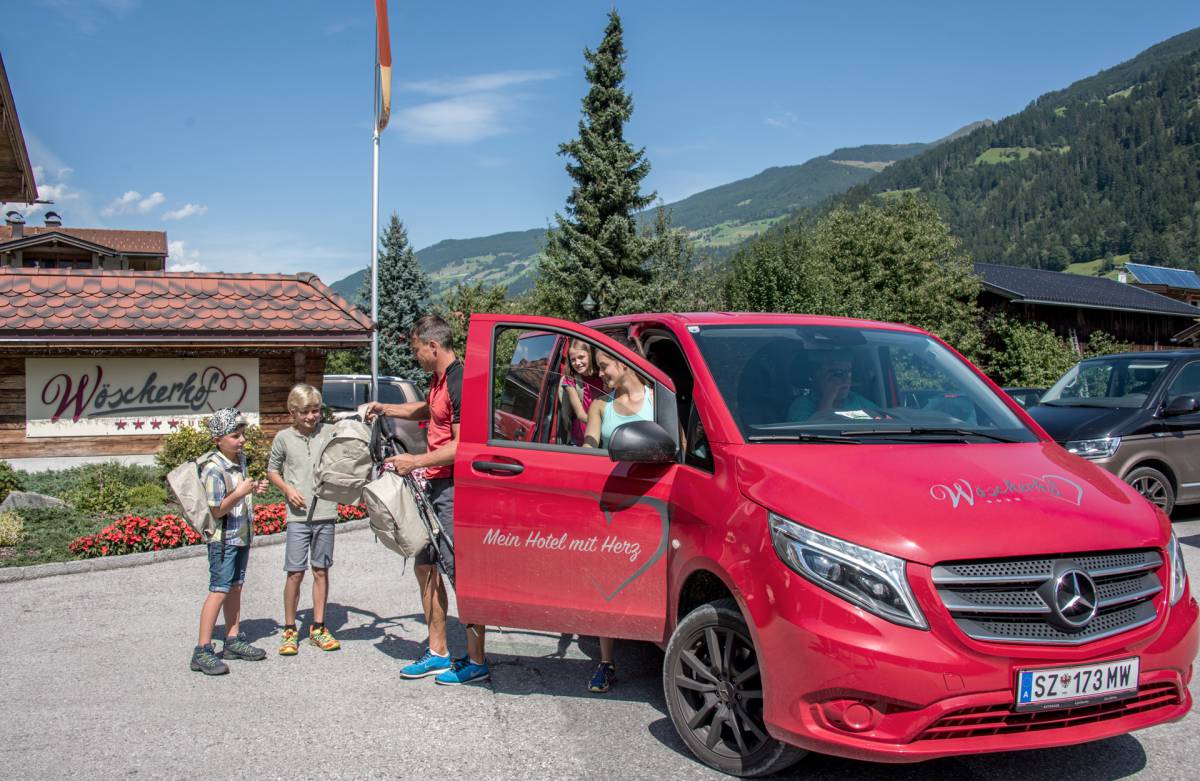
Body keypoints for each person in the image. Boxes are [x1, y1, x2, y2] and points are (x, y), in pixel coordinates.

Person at [365, 314, 489, 686]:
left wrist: (414, 461)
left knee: (460, 574)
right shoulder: (438, 380)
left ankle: (476, 661)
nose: (415, 356)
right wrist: (386, 408)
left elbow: (462, 446)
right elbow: (427, 410)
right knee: (425, 566)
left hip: (453, 489)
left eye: (417, 349)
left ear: (433, 346)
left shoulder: (460, 380)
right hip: (433, 487)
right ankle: (438, 653)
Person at [582, 346, 655, 693]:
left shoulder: (660, 400)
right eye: (597, 367)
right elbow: (589, 449)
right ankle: (607, 661)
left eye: (604, 366)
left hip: (654, 505)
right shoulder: (601, 406)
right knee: (606, 584)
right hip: (612, 506)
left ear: (624, 362)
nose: (600, 374)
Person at [190, 407, 269, 676]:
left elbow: (238, 494)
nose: (242, 440)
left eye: (242, 434)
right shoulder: (213, 468)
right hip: (222, 540)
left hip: (241, 536)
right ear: (218, 439)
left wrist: (253, 489)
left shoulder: (239, 459)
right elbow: (217, 509)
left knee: (235, 587)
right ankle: (202, 648)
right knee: (219, 589)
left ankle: (233, 639)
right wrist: (240, 492)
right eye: (236, 435)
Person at [267, 383, 341, 656]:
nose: (311, 416)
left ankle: (318, 627)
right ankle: (289, 628)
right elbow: (272, 470)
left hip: (325, 512)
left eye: (315, 410)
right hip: (297, 516)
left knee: (321, 570)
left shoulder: (329, 432)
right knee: (295, 572)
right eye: (305, 412)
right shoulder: (283, 438)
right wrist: (288, 489)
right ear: (293, 412)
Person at [786, 354, 874, 422]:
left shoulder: (858, 401)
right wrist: (828, 397)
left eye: (849, 373)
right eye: (837, 374)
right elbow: (812, 437)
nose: (846, 379)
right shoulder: (801, 405)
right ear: (817, 377)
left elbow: (882, 419)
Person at [561, 339, 606, 446]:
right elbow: (581, 415)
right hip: (583, 435)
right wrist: (605, 425)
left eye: (581, 357)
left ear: (590, 355)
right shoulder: (570, 380)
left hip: (606, 435)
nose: (577, 363)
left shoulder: (603, 375)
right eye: (573, 359)